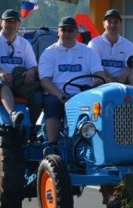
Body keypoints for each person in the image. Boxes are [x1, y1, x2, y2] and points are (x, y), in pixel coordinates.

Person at [38, 16, 106, 150]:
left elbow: (99, 74)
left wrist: (98, 80)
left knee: (103, 106)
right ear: (58, 32)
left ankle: (100, 145)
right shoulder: (49, 53)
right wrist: (59, 94)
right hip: (57, 94)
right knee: (53, 103)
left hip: (83, 94)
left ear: (77, 32)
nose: (67, 34)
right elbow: (45, 81)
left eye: (70, 30)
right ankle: (53, 145)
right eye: (64, 30)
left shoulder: (89, 52)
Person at [0, 9, 42, 126]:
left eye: (14, 22)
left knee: (39, 97)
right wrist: (0, 72)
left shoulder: (25, 44)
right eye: (8, 21)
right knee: (2, 82)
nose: (11, 25)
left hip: (19, 83)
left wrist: (31, 72)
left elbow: (33, 66)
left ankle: (32, 127)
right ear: (1, 22)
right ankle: (13, 114)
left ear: (19, 24)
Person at [88, 9, 133, 87]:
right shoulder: (94, 43)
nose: (112, 25)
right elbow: (95, 66)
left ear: (120, 24)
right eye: (109, 22)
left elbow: (131, 67)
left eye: (116, 22)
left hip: (122, 82)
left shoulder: (128, 45)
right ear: (104, 24)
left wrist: (123, 76)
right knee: (97, 79)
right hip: (102, 80)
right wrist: (109, 79)